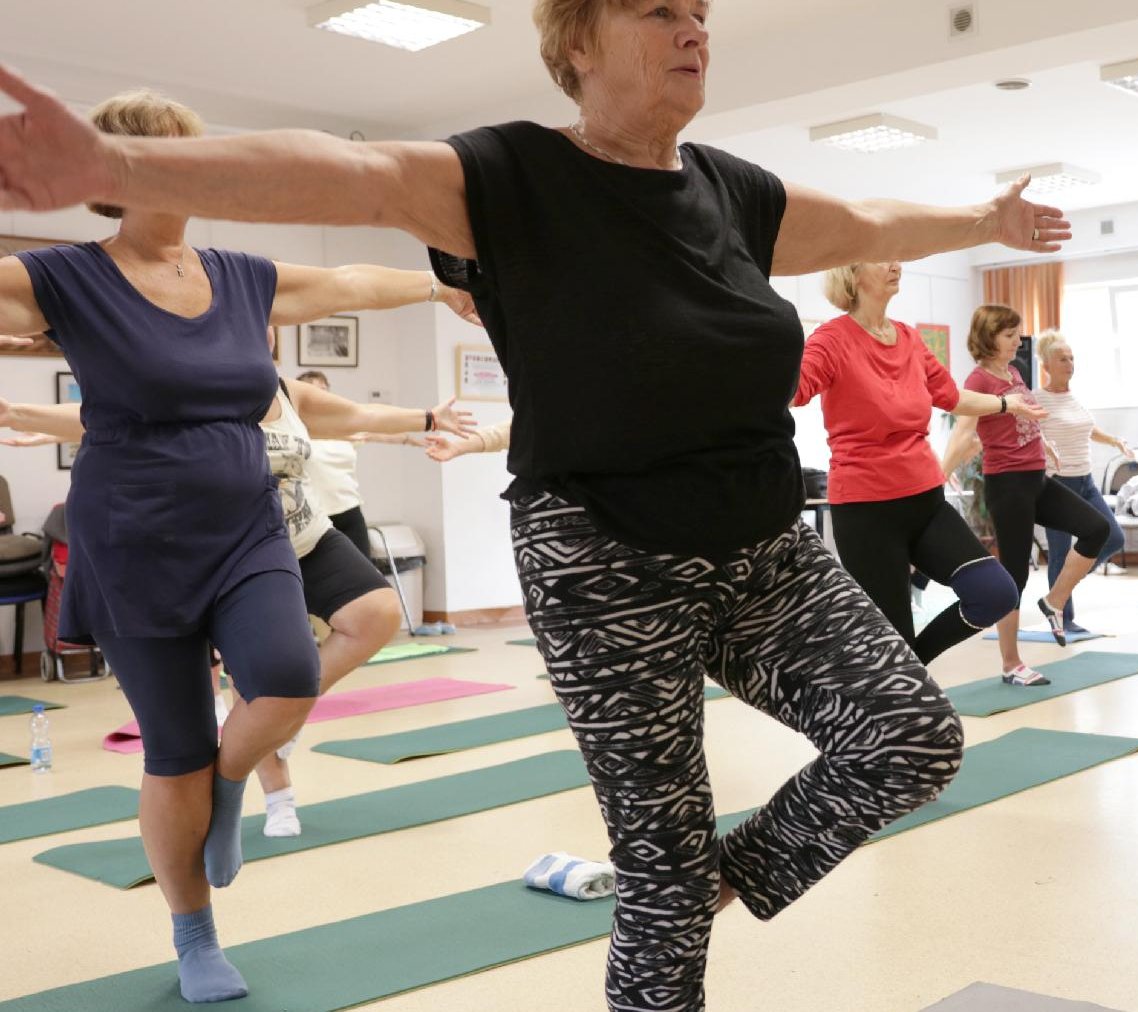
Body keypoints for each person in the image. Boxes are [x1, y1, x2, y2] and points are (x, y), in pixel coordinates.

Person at [0, 4, 1073, 1004]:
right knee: (658, 880)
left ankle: (698, 882)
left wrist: (984, 216)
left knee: (910, 739)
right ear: (578, 45)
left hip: (762, 548)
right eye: (656, 9)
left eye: (700, 11)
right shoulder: (511, 175)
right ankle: (670, 891)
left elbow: (867, 216)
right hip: (602, 557)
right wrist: (110, 163)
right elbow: (351, 171)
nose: (692, 27)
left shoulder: (734, 191)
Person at [0, 88, 476, 1004]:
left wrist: (440, 280)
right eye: (164, 155)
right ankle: (194, 936)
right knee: (170, 751)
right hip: (132, 537)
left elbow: (342, 285)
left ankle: (228, 783)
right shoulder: (64, 277)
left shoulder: (237, 273)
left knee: (287, 675)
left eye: (193, 153)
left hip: (247, 523)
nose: (190, 171)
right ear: (111, 173)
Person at [3, 373, 476, 837]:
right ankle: (275, 797)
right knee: (249, 680)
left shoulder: (285, 390)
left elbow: (357, 414)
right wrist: (19, 413)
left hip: (304, 536)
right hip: (228, 555)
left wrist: (431, 417)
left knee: (376, 613)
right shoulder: (188, 386)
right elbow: (97, 415)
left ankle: (281, 712)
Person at [792, 262, 1026, 664]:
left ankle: (912, 665)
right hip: (867, 511)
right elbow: (795, 388)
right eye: (881, 257)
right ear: (852, 274)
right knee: (891, 638)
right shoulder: (831, 339)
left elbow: (950, 396)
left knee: (995, 592)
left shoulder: (908, 338)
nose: (895, 264)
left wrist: (1006, 404)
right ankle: (902, 676)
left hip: (926, 500)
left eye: (897, 255)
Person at [943, 305, 1112, 684]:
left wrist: (1045, 443)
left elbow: (1025, 417)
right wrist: (938, 475)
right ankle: (1010, 664)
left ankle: (1054, 602)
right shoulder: (978, 380)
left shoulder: (1014, 372)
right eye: (1009, 336)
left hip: (1037, 478)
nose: (1018, 342)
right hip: (1008, 485)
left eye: (1018, 334)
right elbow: (963, 432)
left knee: (1096, 529)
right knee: (1013, 577)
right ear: (988, 337)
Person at [1033, 330, 1129, 634]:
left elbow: (1086, 429)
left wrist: (1114, 440)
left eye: (1072, 358)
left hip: (1085, 481)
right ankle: (1063, 618)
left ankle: (1060, 591)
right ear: (1046, 364)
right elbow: (1030, 434)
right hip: (1058, 485)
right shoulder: (1037, 398)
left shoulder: (1073, 398)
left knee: (1114, 537)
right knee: (1060, 555)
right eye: (1062, 358)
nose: (1070, 363)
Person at [291, 368, 429, 558]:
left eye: (325, 389)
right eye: (315, 390)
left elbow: (379, 431)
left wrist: (413, 440)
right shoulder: (295, 430)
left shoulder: (342, 428)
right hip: (312, 518)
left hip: (349, 513)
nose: (322, 394)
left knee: (364, 576)